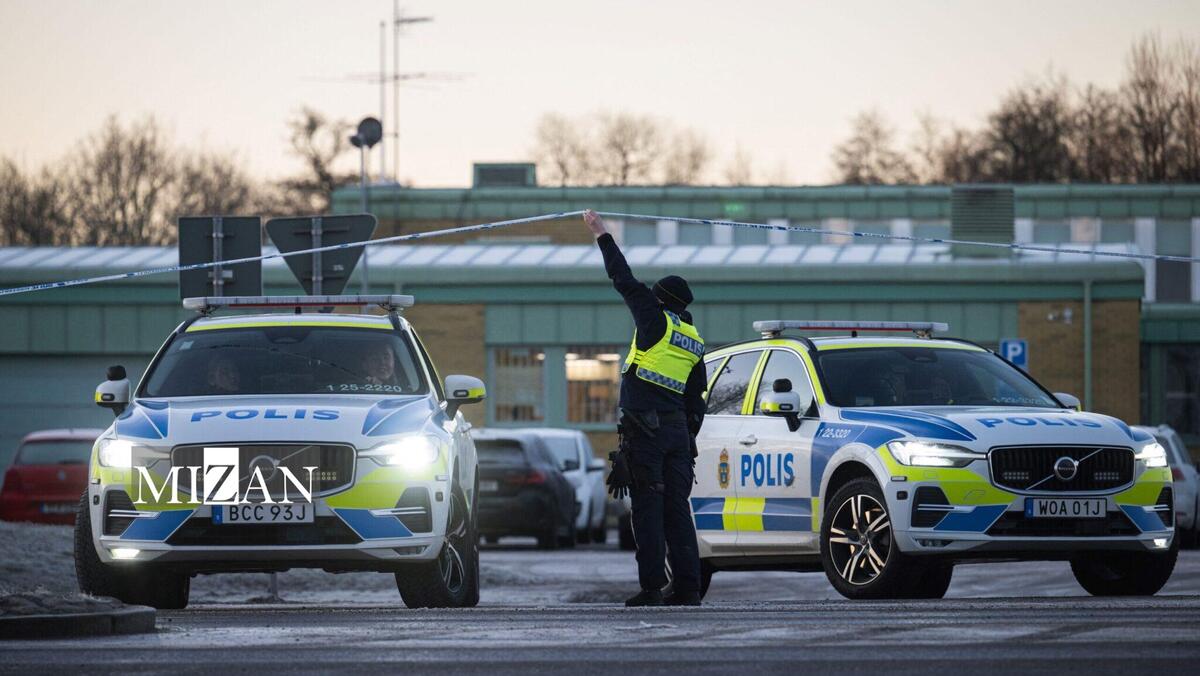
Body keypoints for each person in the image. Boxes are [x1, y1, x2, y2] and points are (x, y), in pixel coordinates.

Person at [582, 209, 707, 607]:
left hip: (648, 435)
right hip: (677, 438)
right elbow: (696, 400)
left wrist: (600, 233)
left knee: (648, 512)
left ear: (661, 301)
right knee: (677, 513)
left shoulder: (655, 321)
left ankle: (652, 587)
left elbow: (623, 279)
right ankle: (688, 588)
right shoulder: (693, 340)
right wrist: (687, 440)